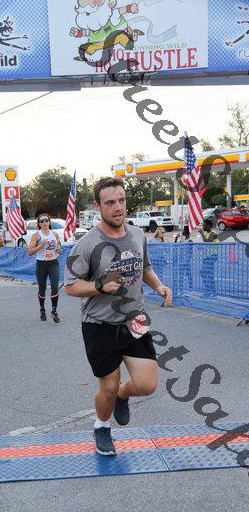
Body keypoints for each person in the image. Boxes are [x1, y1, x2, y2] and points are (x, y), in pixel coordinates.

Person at [64, 177, 172, 456]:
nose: (118, 207)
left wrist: (159, 286)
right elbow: (70, 286)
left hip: (134, 318)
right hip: (99, 324)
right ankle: (102, 427)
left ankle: (123, 395)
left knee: (147, 385)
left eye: (121, 200)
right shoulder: (87, 244)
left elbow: (145, 268)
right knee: (108, 386)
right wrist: (99, 286)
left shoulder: (137, 234)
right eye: (110, 202)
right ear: (98, 206)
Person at [27, 214, 62, 323]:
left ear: (49, 222)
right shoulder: (36, 236)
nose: (44, 222)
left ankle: (54, 311)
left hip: (53, 263)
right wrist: (41, 245)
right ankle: (42, 309)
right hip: (41, 264)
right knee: (42, 289)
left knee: (55, 287)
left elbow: (57, 246)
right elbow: (30, 252)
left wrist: (58, 250)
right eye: (41, 221)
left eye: (46, 220)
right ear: (39, 224)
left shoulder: (55, 234)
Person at [198, 219, 219, 294]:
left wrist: (202, 234)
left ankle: (210, 289)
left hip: (211, 256)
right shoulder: (207, 233)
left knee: (203, 272)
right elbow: (207, 244)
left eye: (204, 225)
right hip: (207, 257)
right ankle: (211, 290)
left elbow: (207, 242)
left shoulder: (213, 233)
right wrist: (201, 247)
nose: (203, 227)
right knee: (209, 274)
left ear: (208, 226)